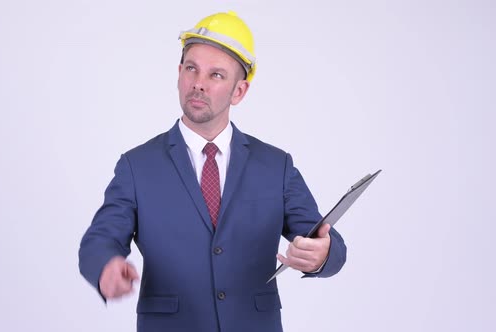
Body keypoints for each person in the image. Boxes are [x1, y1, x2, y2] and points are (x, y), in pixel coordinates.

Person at [79, 11, 347, 332]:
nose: (198, 84)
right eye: (191, 69)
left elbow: (325, 239)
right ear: (179, 73)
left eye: (216, 75)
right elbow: (99, 239)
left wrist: (322, 255)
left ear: (239, 92)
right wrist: (106, 266)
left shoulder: (276, 166)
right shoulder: (138, 165)